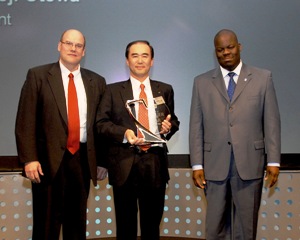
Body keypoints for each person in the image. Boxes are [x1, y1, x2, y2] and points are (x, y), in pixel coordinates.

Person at [15, 29, 107, 240]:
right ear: (59, 46)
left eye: (78, 46)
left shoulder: (97, 81)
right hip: (46, 162)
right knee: (46, 225)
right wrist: (29, 159)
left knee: (76, 225)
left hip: (82, 160)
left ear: (84, 51)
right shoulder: (38, 75)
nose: (73, 49)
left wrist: (101, 161)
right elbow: (25, 120)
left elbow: (100, 126)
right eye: (68, 43)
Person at [189, 29, 281, 240]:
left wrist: (274, 160)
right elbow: (196, 126)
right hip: (213, 165)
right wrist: (197, 165)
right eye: (220, 49)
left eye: (230, 47)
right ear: (215, 52)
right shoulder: (201, 82)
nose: (226, 53)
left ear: (239, 47)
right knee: (214, 228)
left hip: (250, 163)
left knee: (246, 229)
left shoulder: (263, 78)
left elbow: (272, 122)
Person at [97, 40, 180, 240]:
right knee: (125, 227)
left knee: (152, 227)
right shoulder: (112, 90)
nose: (140, 60)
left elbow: (173, 120)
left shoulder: (165, 89)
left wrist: (168, 128)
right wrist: (124, 134)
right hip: (124, 164)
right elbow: (101, 123)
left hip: (154, 163)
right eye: (135, 56)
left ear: (152, 61)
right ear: (127, 61)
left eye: (145, 56)